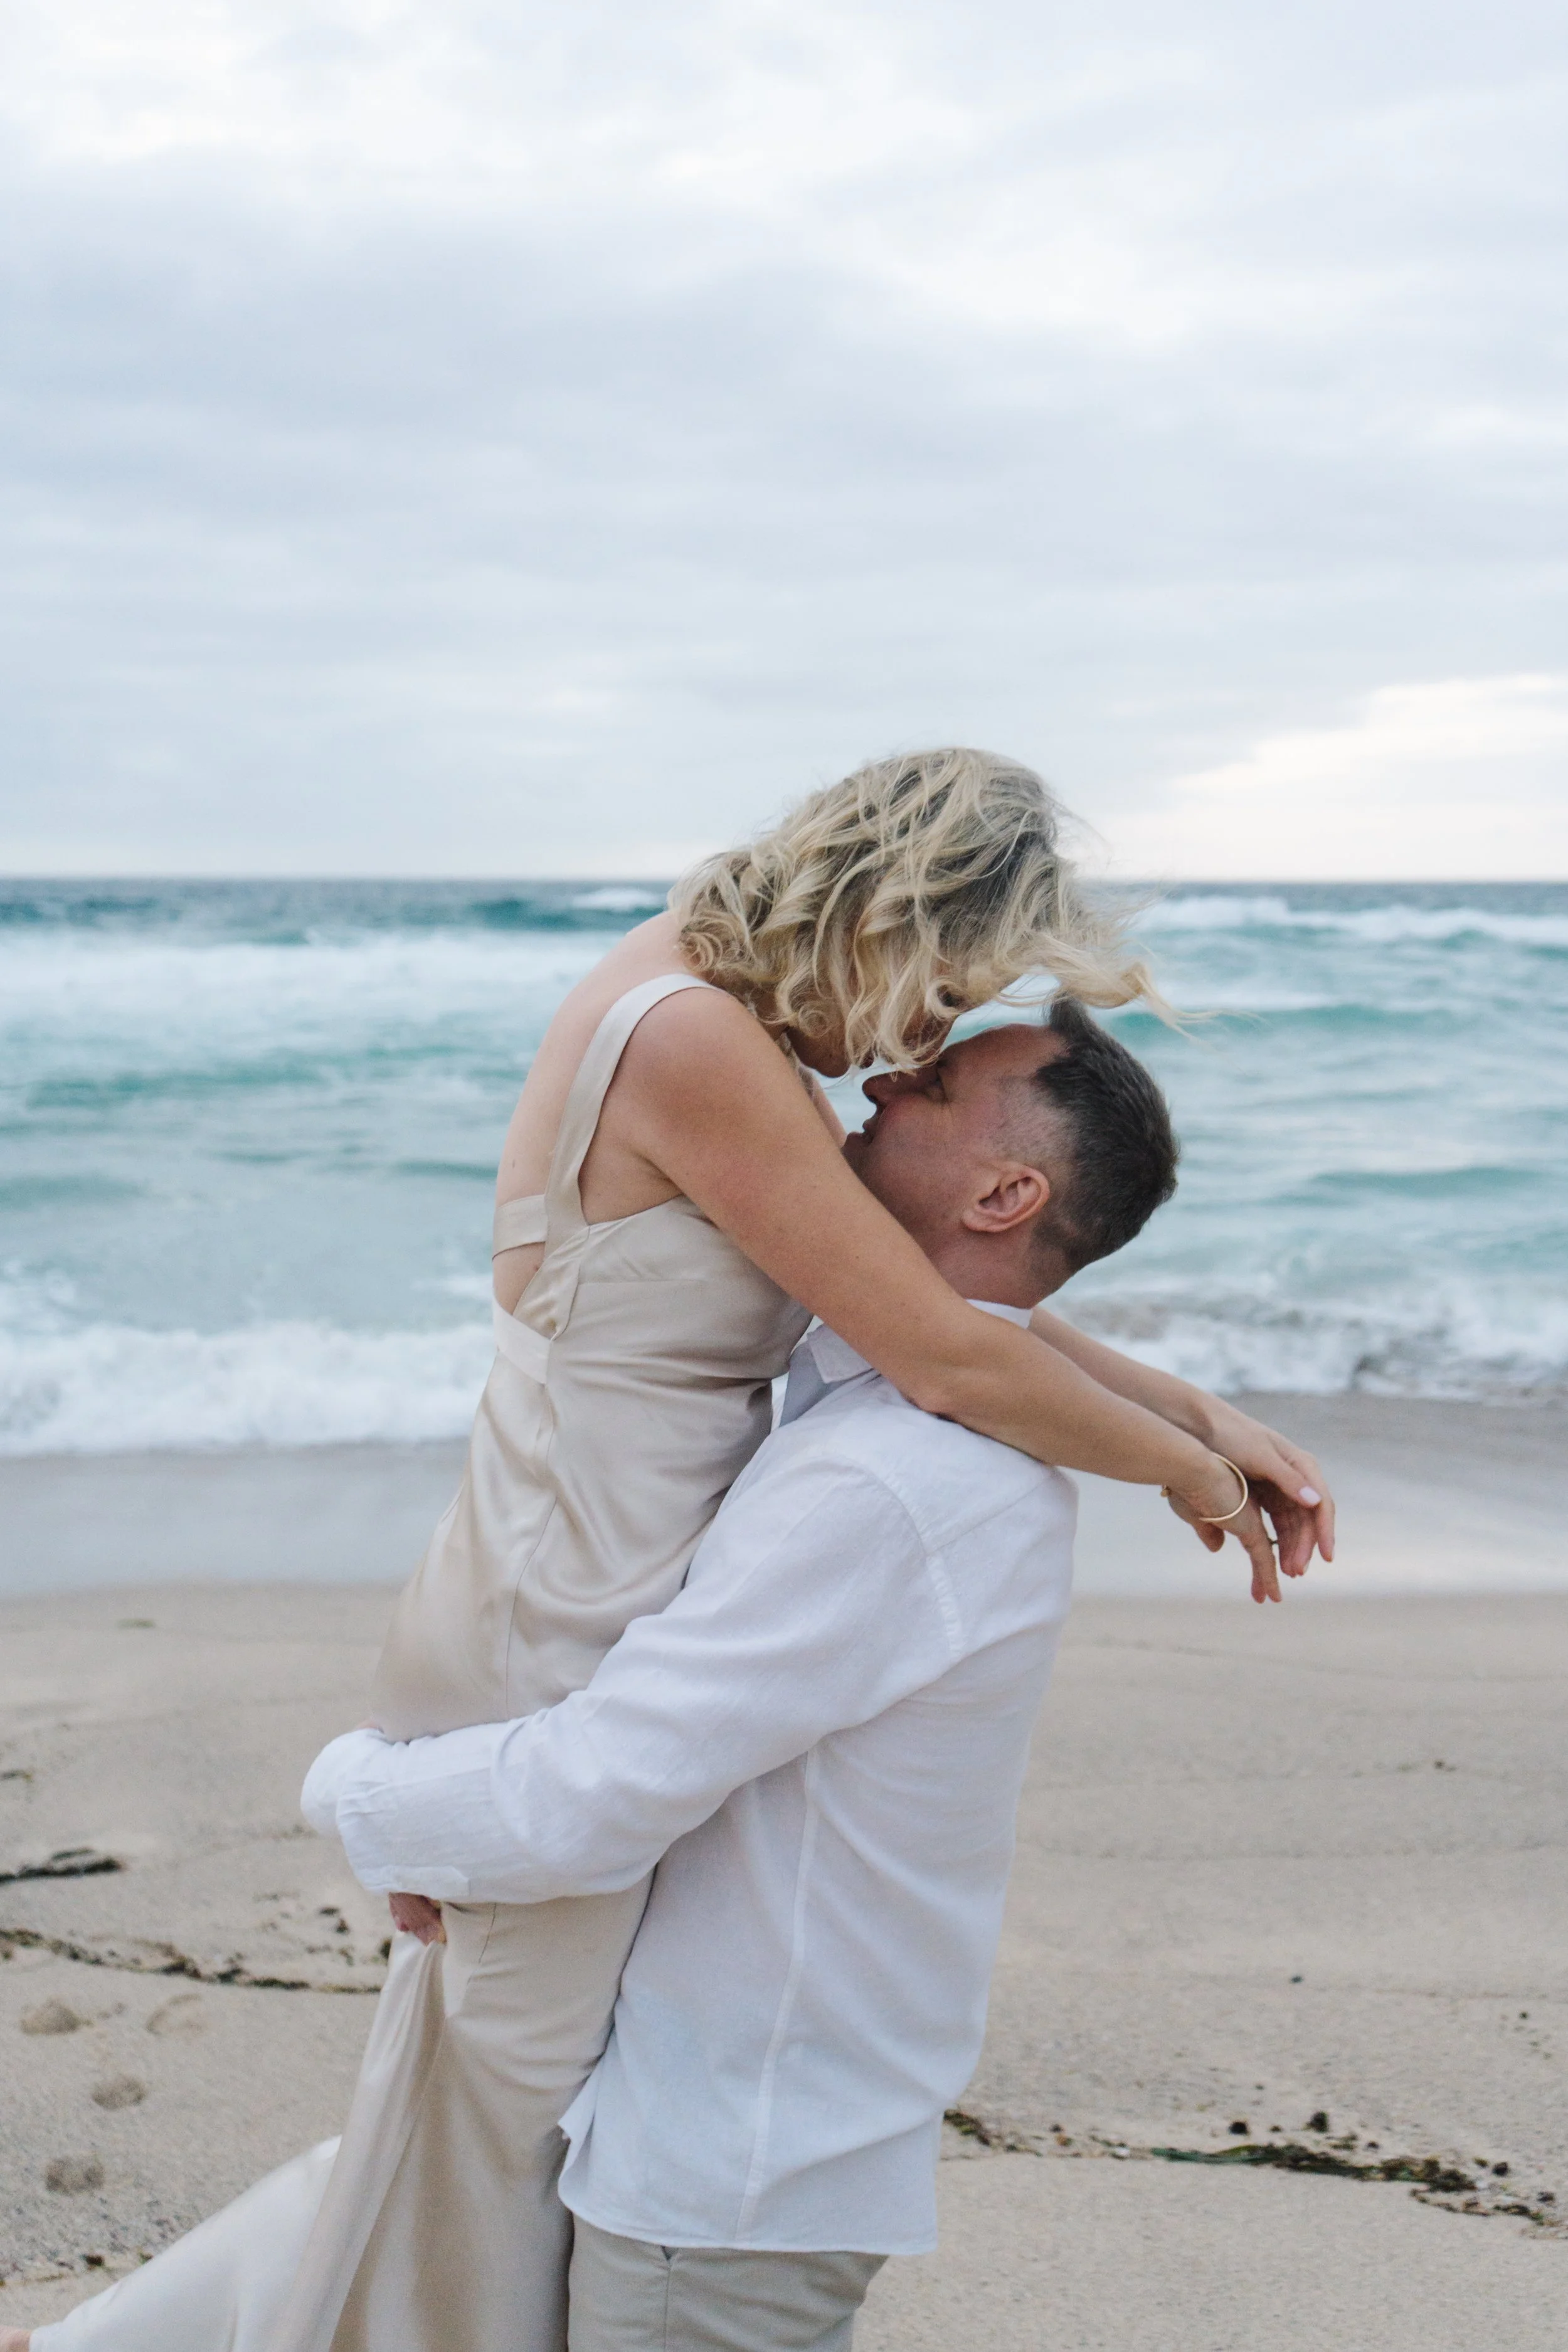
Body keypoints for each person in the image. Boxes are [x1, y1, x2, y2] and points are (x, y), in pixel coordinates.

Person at [14, 751, 1332, 2352]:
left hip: (604, 1585)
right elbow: (946, 1350)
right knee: (481, 2154)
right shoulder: (697, 1039)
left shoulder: (727, 1021)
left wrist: (1197, 1408)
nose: (905, 1051)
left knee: (476, 2138)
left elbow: (954, 1303)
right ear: (897, 914)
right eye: (941, 995)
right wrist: (1188, 1478)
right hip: (555, 1606)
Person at [299, 1005, 1267, 2351]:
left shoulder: (888, 1483)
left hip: (728, 2171)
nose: (878, 1079)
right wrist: (1194, 1427)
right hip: (737, 2140)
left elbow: (589, 1797)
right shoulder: (874, 1412)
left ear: (1005, 1193)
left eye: (928, 1086)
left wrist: (349, 1790)